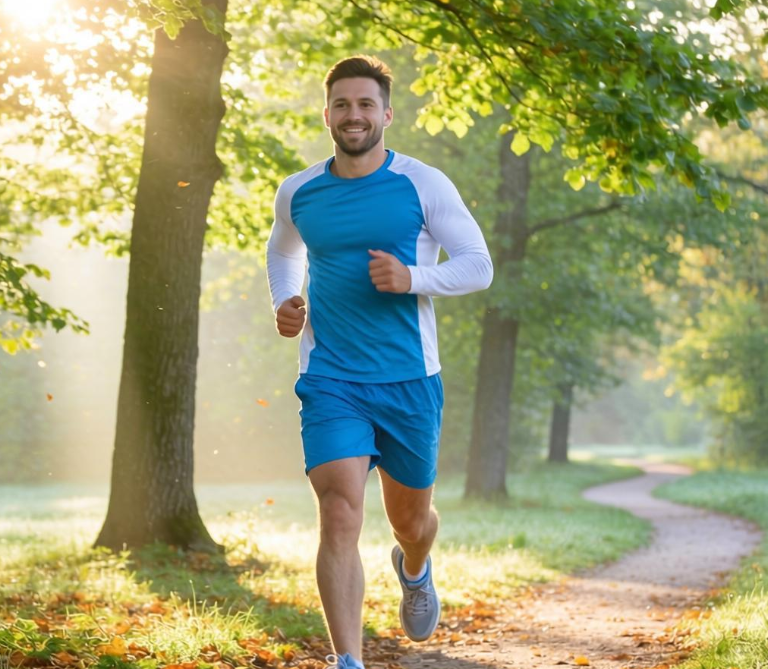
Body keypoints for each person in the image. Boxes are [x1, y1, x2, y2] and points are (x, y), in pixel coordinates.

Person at [265, 55, 493, 669]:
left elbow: (478, 265)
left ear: (387, 114)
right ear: (327, 115)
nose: (354, 115)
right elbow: (283, 251)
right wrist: (284, 299)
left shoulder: (423, 184)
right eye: (342, 104)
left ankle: (414, 568)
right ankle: (349, 661)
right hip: (331, 378)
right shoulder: (300, 191)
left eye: (366, 104)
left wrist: (413, 276)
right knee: (339, 512)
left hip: (410, 381)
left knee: (410, 522)